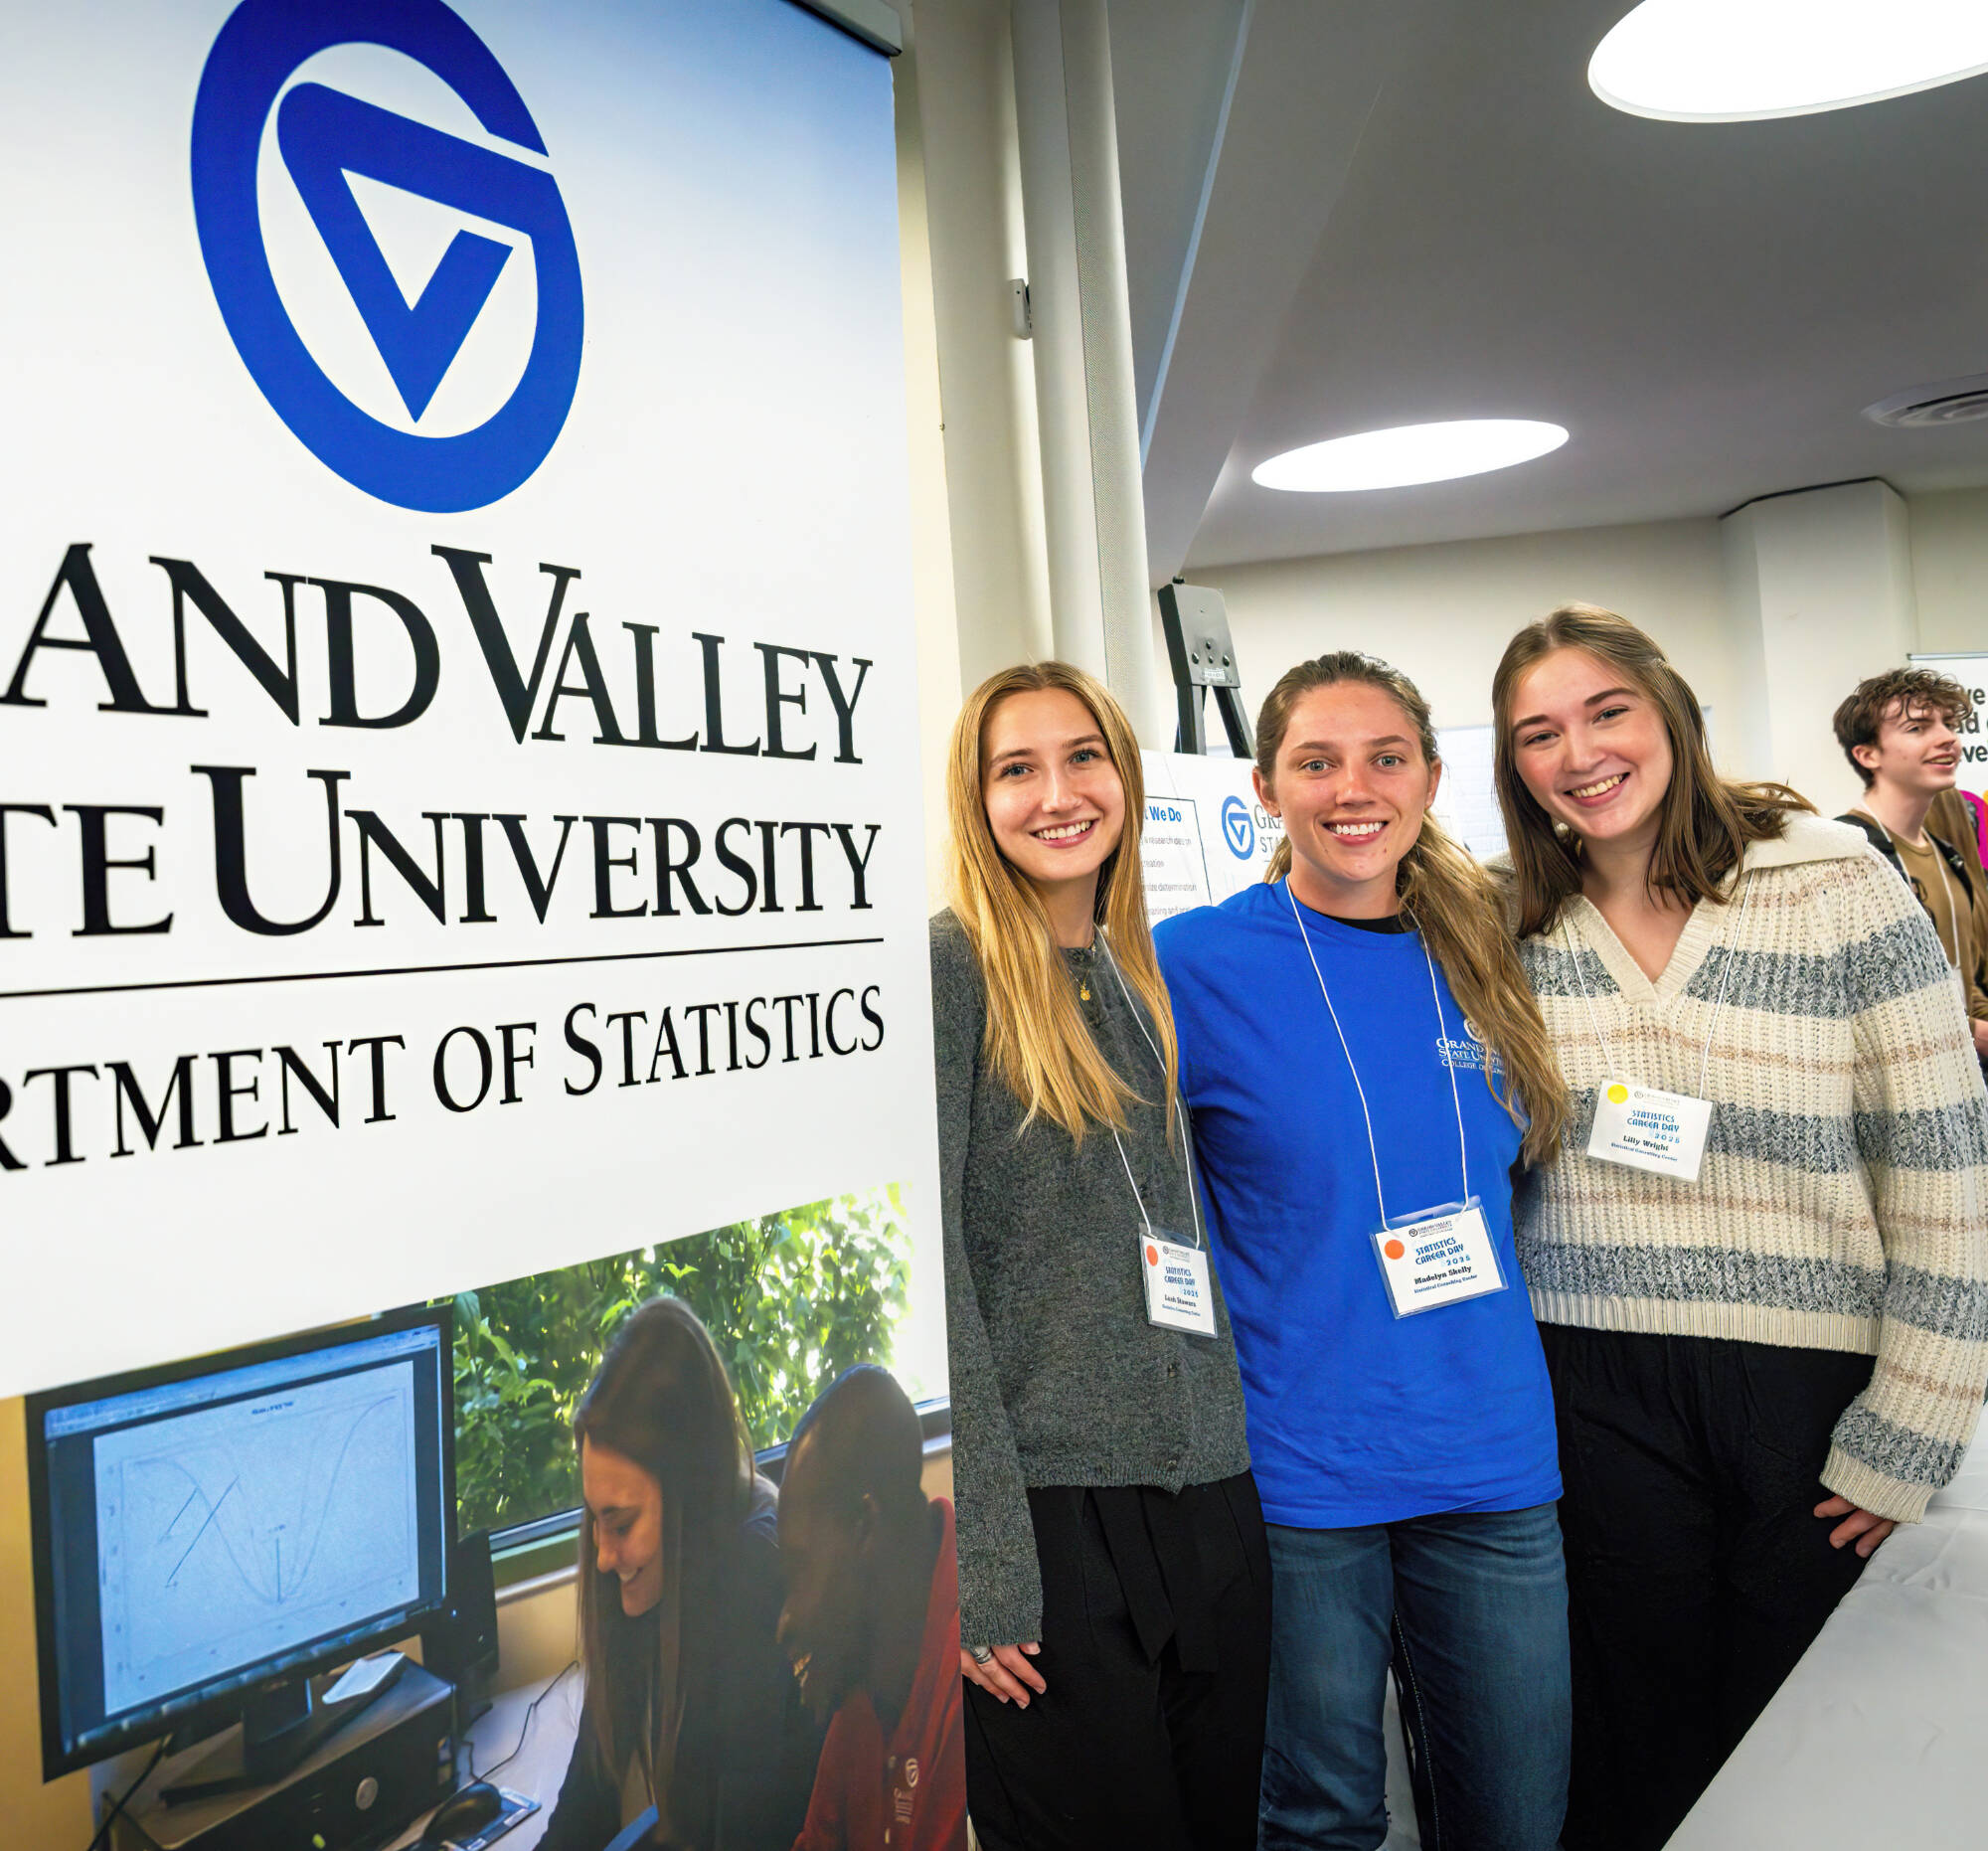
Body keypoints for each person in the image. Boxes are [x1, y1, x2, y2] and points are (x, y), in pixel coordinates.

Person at [1492, 603, 1988, 1851]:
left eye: (1605, 710)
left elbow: (1941, 1162)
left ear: (1668, 713)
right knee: (1627, 1742)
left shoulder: (1829, 880)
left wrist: (1911, 1428)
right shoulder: (1503, 926)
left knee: (1795, 1748)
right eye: (1537, 731)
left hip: (1805, 1387)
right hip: (1586, 1377)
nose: (1579, 751)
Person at [1155, 650, 1574, 1851]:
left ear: (1430, 777)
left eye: (1385, 756)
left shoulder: (1493, 951)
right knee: (1320, 1816)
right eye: (1316, 760)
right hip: (1300, 1475)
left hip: (1490, 1459)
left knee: (1509, 1817)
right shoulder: (1192, 966)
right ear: (1263, 786)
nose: (1354, 786)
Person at [933, 661, 1269, 1851]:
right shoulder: (951, 970)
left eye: (1082, 756)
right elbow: (936, 1284)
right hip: (1054, 1522)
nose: (1056, 791)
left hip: (1207, 1501)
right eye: (1014, 768)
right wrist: (984, 1570)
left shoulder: (1138, 974)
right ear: (974, 801)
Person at [541, 1298, 819, 1851]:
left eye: (621, 1524)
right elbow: (589, 1793)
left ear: (690, 1497)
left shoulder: (754, 1581)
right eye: (596, 1520)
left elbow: (745, 1836)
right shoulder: (653, 1574)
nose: (601, 1555)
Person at [777, 1365, 966, 1851]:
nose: (786, 1621)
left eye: (800, 1568)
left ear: (864, 1527)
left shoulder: (979, 1671)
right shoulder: (864, 1679)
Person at [1831, 666, 1988, 1067]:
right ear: (1867, 755)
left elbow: (1967, 980)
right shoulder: (1844, 855)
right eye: (1918, 728)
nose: (1948, 738)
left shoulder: (1948, 856)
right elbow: (1851, 999)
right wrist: (1971, 1030)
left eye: (1949, 724)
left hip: (1965, 1072)